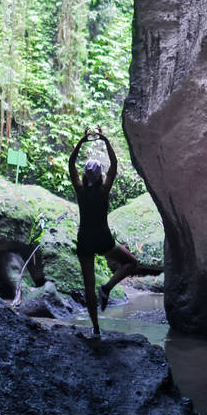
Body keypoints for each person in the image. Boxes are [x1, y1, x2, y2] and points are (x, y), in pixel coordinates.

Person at [68, 126, 139, 337]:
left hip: (85, 240)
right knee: (132, 262)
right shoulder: (104, 190)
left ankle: (96, 329)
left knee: (89, 286)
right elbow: (114, 165)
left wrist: (81, 141)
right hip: (103, 238)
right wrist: (104, 139)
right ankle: (107, 288)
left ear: (85, 175)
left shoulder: (80, 191)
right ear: (100, 176)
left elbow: (71, 164)